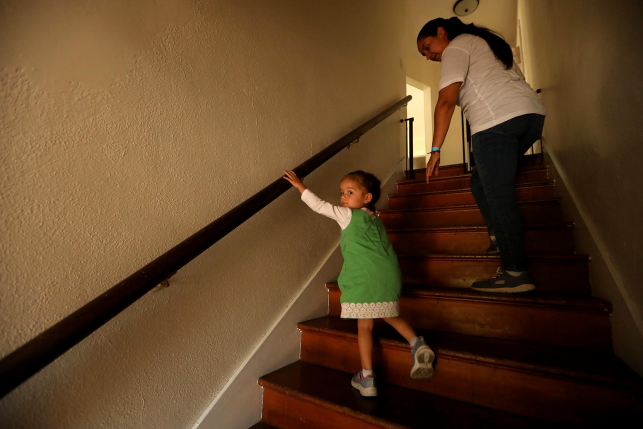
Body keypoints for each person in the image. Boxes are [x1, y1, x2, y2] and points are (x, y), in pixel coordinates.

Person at [417, 17, 546, 293]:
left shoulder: (457, 46)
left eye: (427, 47)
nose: (428, 56)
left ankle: (515, 272)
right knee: (479, 182)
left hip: (496, 123)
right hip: (530, 119)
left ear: (442, 32)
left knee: (500, 195)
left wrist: (436, 149)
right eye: (424, 54)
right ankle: (500, 235)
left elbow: (446, 101)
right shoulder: (487, 44)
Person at [283, 169, 434, 397]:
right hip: (389, 274)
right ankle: (417, 344)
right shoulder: (376, 220)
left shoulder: (347, 215)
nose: (343, 197)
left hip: (365, 278)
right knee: (390, 315)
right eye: (342, 192)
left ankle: (367, 376)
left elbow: (320, 206)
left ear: (367, 198)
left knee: (365, 325)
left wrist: (300, 186)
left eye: (350, 192)